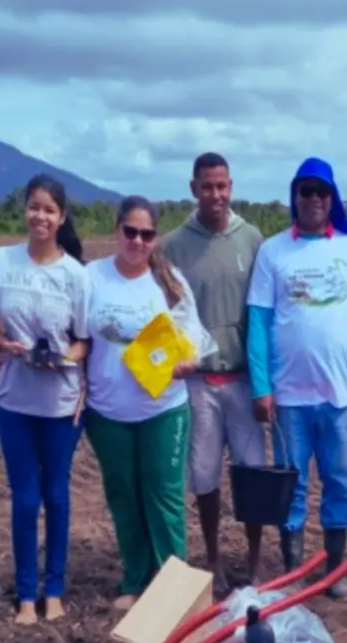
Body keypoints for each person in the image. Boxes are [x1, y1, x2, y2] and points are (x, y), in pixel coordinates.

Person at [245, 157, 347, 601]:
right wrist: (261, 386)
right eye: (306, 191)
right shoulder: (274, 251)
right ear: (295, 196)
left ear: (332, 197)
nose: (315, 199)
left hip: (338, 393)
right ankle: (294, 572)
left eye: (322, 192)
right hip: (289, 396)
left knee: (339, 480)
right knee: (292, 483)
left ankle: (335, 569)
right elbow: (259, 322)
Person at [84, 196, 214, 611]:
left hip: (162, 410)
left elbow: (193, 343)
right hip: (108, 412)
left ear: (156, 238)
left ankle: (173, 587)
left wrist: (186, 363)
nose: (138, 241)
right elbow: (75, 334)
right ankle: (135, 580)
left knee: (164, 496)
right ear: (116, 230)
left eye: (147, 234)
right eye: (130, 232)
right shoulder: (92, 279)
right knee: (124, 495)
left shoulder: (169, 282)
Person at [0, 173, 91, 625]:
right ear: (25, 211)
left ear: (61, 218)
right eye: (33, 207)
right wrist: (5, 346)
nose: (39, 216)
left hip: (61, 406)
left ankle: (55, 590)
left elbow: (85, 342)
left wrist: (63, 357)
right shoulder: (1, 262)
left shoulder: (75, 276)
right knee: (25, 499)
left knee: (57, 495)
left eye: (49, 209)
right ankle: (27, 594)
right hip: (15, 402)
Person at [161, 152, 267, 595]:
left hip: (243, 380)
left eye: (222, 186)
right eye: (207, 186)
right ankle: (215, 561)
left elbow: (262, 314)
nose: (216, 195)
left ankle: (257, 562)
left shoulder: (253, 240)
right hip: (199, 383)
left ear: (231, 186)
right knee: (204, 477)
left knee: (252, 474)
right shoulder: (172, 247)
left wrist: (266, 380)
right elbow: (164, 316)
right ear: (193, 189)